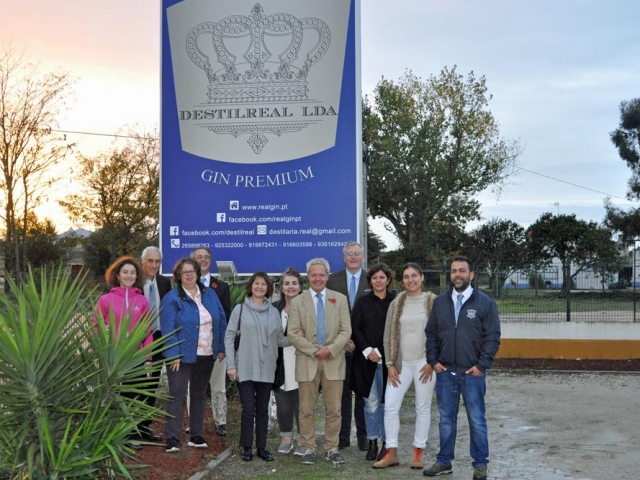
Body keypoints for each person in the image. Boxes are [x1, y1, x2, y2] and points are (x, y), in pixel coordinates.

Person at [423, 256, 501, 480]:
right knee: (446, 419)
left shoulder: (485, 303)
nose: (457, 275)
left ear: (471, 275)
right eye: (454, 271)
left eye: (462, 271)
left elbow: (492, 337)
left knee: (477, 419)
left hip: (472, 374)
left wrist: (481, 366)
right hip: (445, 373)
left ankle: (480, 464)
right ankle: (444, 461)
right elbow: (431, 334)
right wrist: (433, 361)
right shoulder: (440, 302)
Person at [288, 258, 352, 466]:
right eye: (314, 275)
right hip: (308, 361)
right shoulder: (298, 301)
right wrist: (315, 350)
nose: (317, 278)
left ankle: (331, 448)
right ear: (308, 276)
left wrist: (331, 349)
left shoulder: (340, 299)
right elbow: (292, 334)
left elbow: (346, 331)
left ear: (327, 276)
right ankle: (308, 448)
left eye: (321, 275)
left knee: (334, 409)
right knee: (306, 409)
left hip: (334, 361)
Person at [373, 263, 437, 470]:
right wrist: (390, 364)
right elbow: (387, 336)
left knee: (422, 407)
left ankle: (418, 451)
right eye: (406, 276)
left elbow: (442, 333)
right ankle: (391, 452)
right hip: (401, 365)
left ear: (422, 277)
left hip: (424, 364)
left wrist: (432, 362)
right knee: (390, 407)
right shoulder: (397, 302)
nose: (410, 280)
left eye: (414, 276)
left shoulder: (432, 302)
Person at [160, 258, 227, 454]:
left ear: (197, 273)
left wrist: (220, 345)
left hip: (206, 354)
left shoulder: (210, 294)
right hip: (180, 357)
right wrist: (173, 354)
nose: (189, 274)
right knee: (176, 396)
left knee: (198, 395)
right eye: (184, 272)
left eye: (192, 271)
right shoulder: (172, 298)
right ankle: (172, 438)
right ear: (178, 276)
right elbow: (168, 329)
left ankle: (196, 435)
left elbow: (221, 319)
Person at [224, 272, 291, 462]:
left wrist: (296, 337)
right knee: (248, 409)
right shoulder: (240, 309)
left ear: (268, 288)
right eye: (256, 283)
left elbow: (279, 339)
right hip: (244, 366)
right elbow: (229, 337)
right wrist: (231, 365)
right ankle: (247, 447)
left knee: (262, 409)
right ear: (251, 286)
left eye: (263, 284)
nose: (260, 287)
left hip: (267, 368)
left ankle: (261, 447)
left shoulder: (274, 312)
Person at [94, 255, 153, 450]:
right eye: (125, 272)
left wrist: (148, 357)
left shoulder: (142, 300)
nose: (129, 276)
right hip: (112, 358)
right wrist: (99, 351)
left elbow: (147, 331)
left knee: (132, 397)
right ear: (117, 276)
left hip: (134, 358)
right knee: (111, 396)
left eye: (132, 273)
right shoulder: (105, 300)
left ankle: (131, 434)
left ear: (137, 276)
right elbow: (95, 327)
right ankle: (108, 434)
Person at [326, 241, 369, 451]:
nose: (353, 257)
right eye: (349, 254)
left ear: (362, 257)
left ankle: (363, 434)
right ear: (344, 258)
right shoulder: (332, 280)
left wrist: (357, 340)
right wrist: (344, 340)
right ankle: (343, 435)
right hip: (338, 345)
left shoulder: (372, 279)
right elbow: (327, 313)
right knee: (341, 392)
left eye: (357, 254)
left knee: (362, 392)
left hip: (364, 346)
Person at [350, 263, 396, 462]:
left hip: (390, 361)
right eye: (374, 278)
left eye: (382, 277)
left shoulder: (396, 302)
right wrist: (369, 351)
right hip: (366, 361)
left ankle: (387, 443)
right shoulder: (362, 303)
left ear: (388, 280)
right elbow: (355, 328)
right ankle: (372, 442)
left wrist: (381, 352)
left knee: (388, 405)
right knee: (371, 403)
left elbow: (397, 331)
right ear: (370, 281)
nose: (378, 281)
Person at [191, 246, 231, 437]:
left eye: (207, 257)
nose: (203, 260)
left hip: (216, 347)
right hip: (193, 348)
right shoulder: (185, 286)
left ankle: (220, 421)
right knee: (194, 388)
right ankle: (193, 423)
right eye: (199, 257)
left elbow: (226, 320)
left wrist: (223, 346)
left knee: (218, 386)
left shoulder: (221, 287)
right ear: (193, 261)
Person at [272, 267, 305, 456]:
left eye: (294, 283)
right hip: (279, 364)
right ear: (282, 287)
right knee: (283, 404)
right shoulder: (274, 308)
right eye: (287, 283)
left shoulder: (308, 307)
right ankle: (286, 438)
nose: (290, 287)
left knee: (302, 404)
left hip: (302, 361)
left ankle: (302, 439)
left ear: (300, 286)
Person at [140, 246, 172, 442]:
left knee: (152, 384)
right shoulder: (134, 282)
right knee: (135, 382)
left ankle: (144, 427)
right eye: (150, 261)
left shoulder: (164, 282)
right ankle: (130, 429)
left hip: (158, 338)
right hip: (137, 341)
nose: (154, 265)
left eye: (157, 261)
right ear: (142, 261)